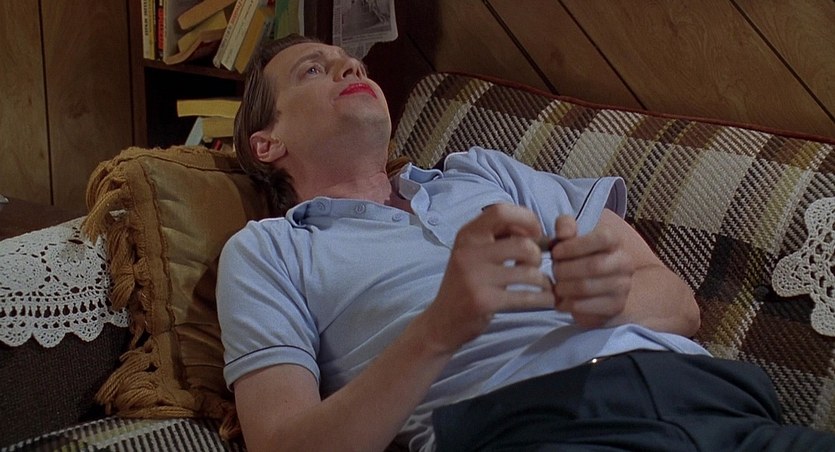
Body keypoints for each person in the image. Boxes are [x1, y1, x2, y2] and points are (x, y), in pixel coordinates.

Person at [216, 34, 835, 451]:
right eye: (313, 70)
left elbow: (678, 304)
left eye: (352, 63)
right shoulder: (268, 251)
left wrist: (598, 303)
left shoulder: (485, 173)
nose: (351, 67)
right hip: (533, 426)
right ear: (266, 143)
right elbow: (283, 444)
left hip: (710, 398)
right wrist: (440, 330)